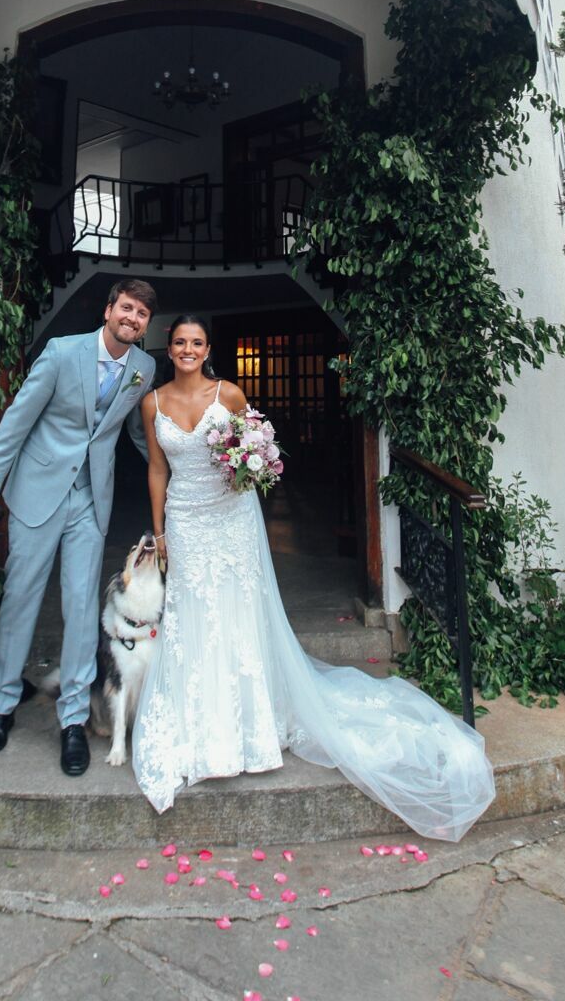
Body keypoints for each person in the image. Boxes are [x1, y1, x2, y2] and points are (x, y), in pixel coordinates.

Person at [131, 315, 496, 841]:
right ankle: (200, 724)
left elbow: (256, 451)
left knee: (239, 613)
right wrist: (161, 531)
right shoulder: (153, 403)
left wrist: (251, 465)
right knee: (192, 614)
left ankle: (251, 726)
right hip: (185, 521)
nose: (188, 349)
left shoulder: (229, 394)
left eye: (197, 342)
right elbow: (157, 468)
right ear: (169, 349)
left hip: (231, 520)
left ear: (207, 349)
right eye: (180, 342)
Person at [0, 278, 158, 775]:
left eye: (141, 314)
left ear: (145, 325)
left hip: (91, 500)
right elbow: (16, 421)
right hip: (39, 491)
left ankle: (73, 719)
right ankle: (0, 705)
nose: (132, 318)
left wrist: (179, 475)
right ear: (109, 310)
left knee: (80, 605)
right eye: (126, 308)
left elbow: (138, 435)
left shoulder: (144, 368)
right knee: (21, 598)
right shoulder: (61, 352)